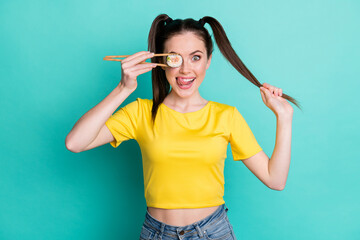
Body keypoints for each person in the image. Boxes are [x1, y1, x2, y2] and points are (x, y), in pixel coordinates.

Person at [65, 13, 299, 240]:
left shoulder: (226, 116)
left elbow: (275, 180)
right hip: (156, 233)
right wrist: (123, 89)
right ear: (161, 62)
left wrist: (284, 117)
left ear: (208, 60)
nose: (185, 69)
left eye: (195, 57)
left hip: (213, 232)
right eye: (175, 58)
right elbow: (75, 143)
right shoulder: (141, 112)